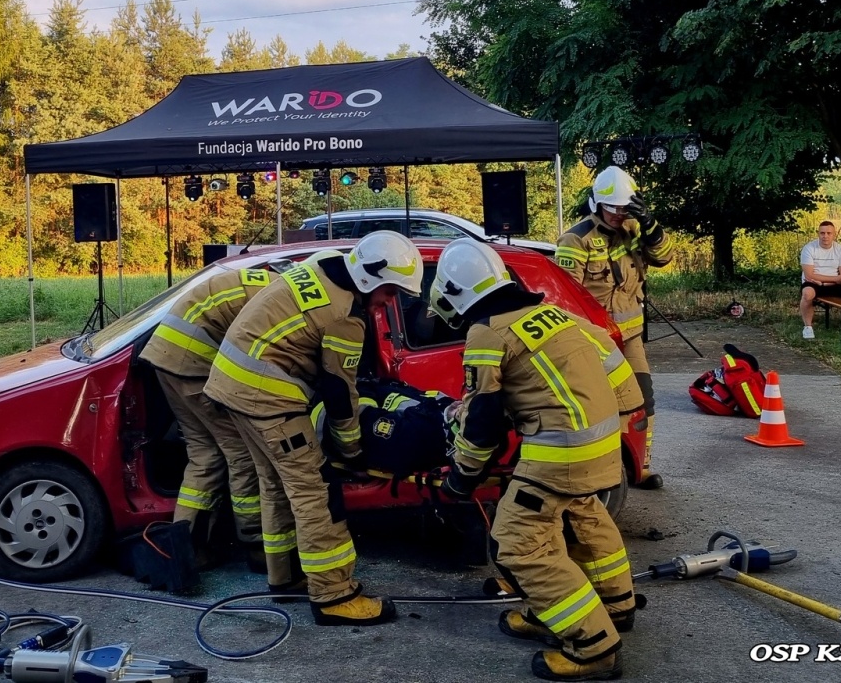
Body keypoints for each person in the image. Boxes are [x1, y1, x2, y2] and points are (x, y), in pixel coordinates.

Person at [430, 238, 634, 681]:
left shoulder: (487, 331)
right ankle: (615, 606)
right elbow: (616, 367)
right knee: (584, 517)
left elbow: (483, 422)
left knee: (518, 542)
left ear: (452, 292)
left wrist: (461, 479)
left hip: (559, 455)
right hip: (601, 446)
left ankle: (592, 645)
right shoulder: (554, 314)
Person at [203, 232, 423, 626]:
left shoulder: (321, 267)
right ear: (372, 279)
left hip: (231, 385)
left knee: (274, 481)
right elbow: (340, 392)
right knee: (316, 491)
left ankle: (285, 575)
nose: (390, 302)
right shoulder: (345, 317)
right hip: (267, 396)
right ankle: (334, 594)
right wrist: (352, 450)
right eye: (391, 292)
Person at [140, 265, 277, 565]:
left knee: (204, 454)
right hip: (194, 363)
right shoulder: (281, 303)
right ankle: (255, 543)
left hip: (166, 356)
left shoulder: (271, 283)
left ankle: (185, 545)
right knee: (241, 453)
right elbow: (252, 358)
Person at [555, 165, 670, 489]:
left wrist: (652, 227)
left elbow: (665, 257)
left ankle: (641, 468)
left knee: (643, 399)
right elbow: (566, 299)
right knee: (598, 407)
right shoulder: (575, 240)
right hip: (595, 340)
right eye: (613, 207)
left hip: (630, 336)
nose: (619, 214)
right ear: (597, 203)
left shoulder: (635, 228)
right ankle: (599, 472)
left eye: (624, 207)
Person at [798, 220, 841, 342]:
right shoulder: (809, 248)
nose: (825, 236)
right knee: (807, 294)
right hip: (814, 283)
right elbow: (809, 275)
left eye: (829, 233)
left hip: (832, 284)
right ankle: (807, 327)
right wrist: (834, 279)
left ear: (834, 234)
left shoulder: (840, 249)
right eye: (822, 233)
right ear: (818, 234)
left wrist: (827, 281)